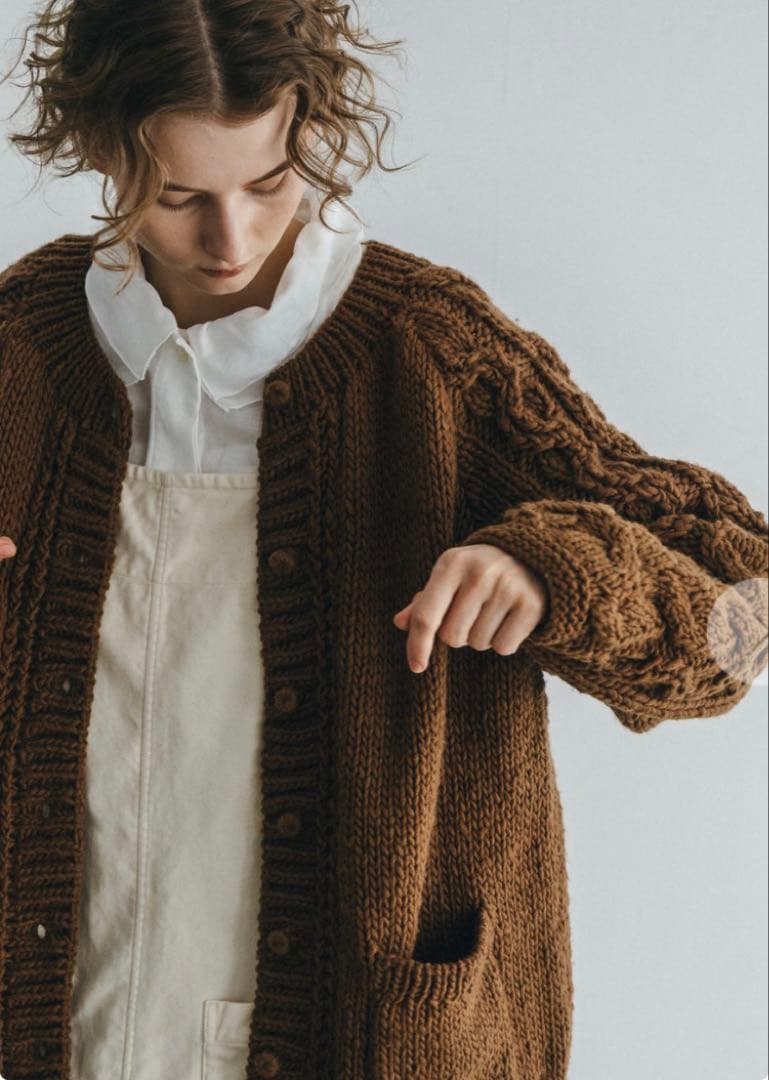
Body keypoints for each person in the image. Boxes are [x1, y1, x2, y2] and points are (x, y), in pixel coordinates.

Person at [0, 3, 766, 1079]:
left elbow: (745, 614)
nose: (232, 241)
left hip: (361, 1036)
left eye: (270, 182)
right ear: (97, 150)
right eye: (177, 198)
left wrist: (556, 570)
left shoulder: (435, 355)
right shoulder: (20, 347)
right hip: (63, 1019)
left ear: (312, 128)